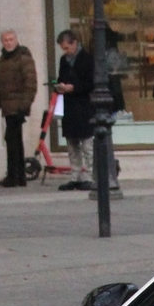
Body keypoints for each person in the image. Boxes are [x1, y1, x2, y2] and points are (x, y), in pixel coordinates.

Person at [0, 29, 38, 188]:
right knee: (12, 141)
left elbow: (31, 84)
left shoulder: (24, 58)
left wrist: (24, 107)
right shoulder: (2, 59)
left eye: (11, 39)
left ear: (16, 40)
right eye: (5, 40)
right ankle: (16, 175)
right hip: (7, 107)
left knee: (13, 140)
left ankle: (15, 176)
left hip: (17, 108)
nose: (8, 42)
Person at [55, 28, 97, 192]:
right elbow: (61, 78)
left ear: (74, 43)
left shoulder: (87, 59)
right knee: (72, 145)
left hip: (84, 105)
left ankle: (92, 176)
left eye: (67, 48)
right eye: (63, 49)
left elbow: (91, 83)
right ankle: (75, 175)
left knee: (87, 145)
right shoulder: (63, 61)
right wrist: (60, 86)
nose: (65, 52)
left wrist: (73, 87)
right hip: (69, 106)